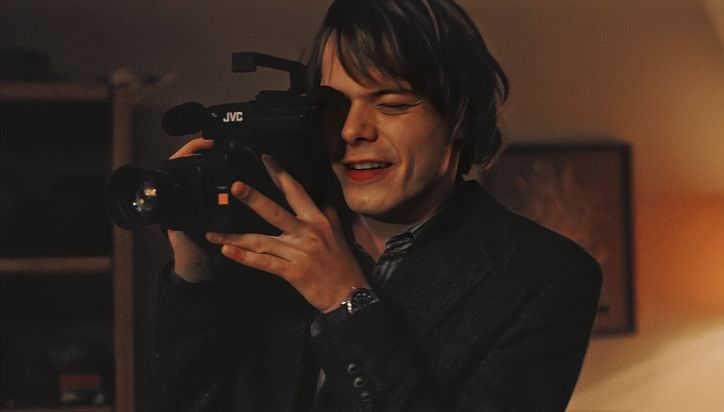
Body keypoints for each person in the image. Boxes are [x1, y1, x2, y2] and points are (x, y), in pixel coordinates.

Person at [152, 0, 602, 410]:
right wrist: (197, 280)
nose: (352, 131)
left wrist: (346, 301)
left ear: (460, 116)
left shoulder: (547, 277)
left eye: (392, 104)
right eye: (332, 108)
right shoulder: (267, 238)